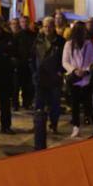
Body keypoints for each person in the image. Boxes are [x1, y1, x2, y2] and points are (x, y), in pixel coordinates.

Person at [32, 16, 66, 149]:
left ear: (54, 27)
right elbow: (32, 58)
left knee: (54, 103)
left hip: (54, 77)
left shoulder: (60, 42)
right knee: (39, 103)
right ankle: (38, 125)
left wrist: (60, 71)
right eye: (45, 26)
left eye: (50, 26)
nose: (47, 29)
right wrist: (34, 72)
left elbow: (65, 58)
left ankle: (54, 124)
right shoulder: (37, 40)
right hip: (40, 77)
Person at [62, 21, 93, 138]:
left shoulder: (89, 44)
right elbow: (65, 61)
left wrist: (85, 70)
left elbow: (92, 60)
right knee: (75, 104)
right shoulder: (68, 45)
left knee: (87, 103)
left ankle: (88, 120)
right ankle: (76, 126)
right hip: (74, 78)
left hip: (86, 78)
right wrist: (74, 70)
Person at [12, 15, 36, 111]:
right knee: (16, 85)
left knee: (28, 85)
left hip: (29, 63)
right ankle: (15, 104)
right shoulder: (16, 35)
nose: (24, 24)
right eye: (22, 22)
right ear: (20, 23)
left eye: (26, 22)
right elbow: (13, 49)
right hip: (19, 63)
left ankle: (27, 103)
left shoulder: (34, 35)